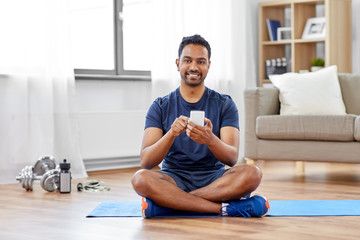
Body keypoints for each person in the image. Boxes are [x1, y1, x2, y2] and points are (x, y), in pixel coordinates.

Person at [131, 34, 269, 218]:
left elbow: (231, 158)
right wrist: (171, 133)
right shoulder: (161, 105)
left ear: (208, 66)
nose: (194, 67)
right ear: (177, 63)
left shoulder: (224, 104)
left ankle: (170, 204)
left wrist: (210, 139)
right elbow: (147, 162)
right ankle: (225, 208)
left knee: (253, 173)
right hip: (173, 178)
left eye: (201, 62)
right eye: (187, 60)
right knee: (140, 178)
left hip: (215, 179)